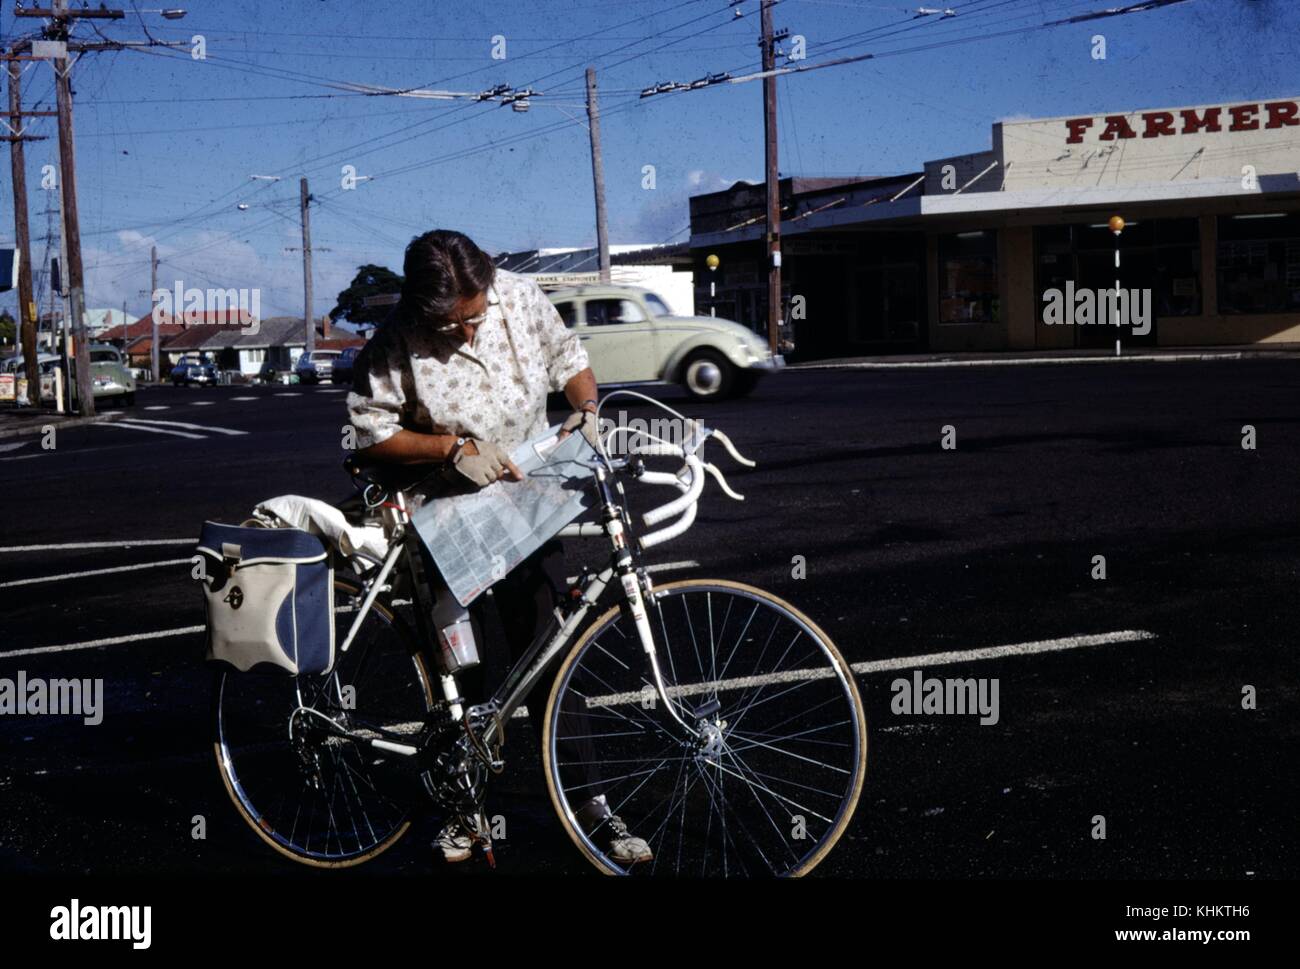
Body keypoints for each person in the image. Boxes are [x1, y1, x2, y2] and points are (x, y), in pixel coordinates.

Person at [346, 229, 652, 866]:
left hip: (527, 502)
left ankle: (590, 803)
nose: (466, 331)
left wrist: (587, 406)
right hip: (448, 517)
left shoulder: (516, 294)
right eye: (451, 324)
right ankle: (468, 807)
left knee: (548, 653)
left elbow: (568, 358)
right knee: (468, 670)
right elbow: (367, 434)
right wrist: (450, 449)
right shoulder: (400, 335)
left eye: (474, 315)